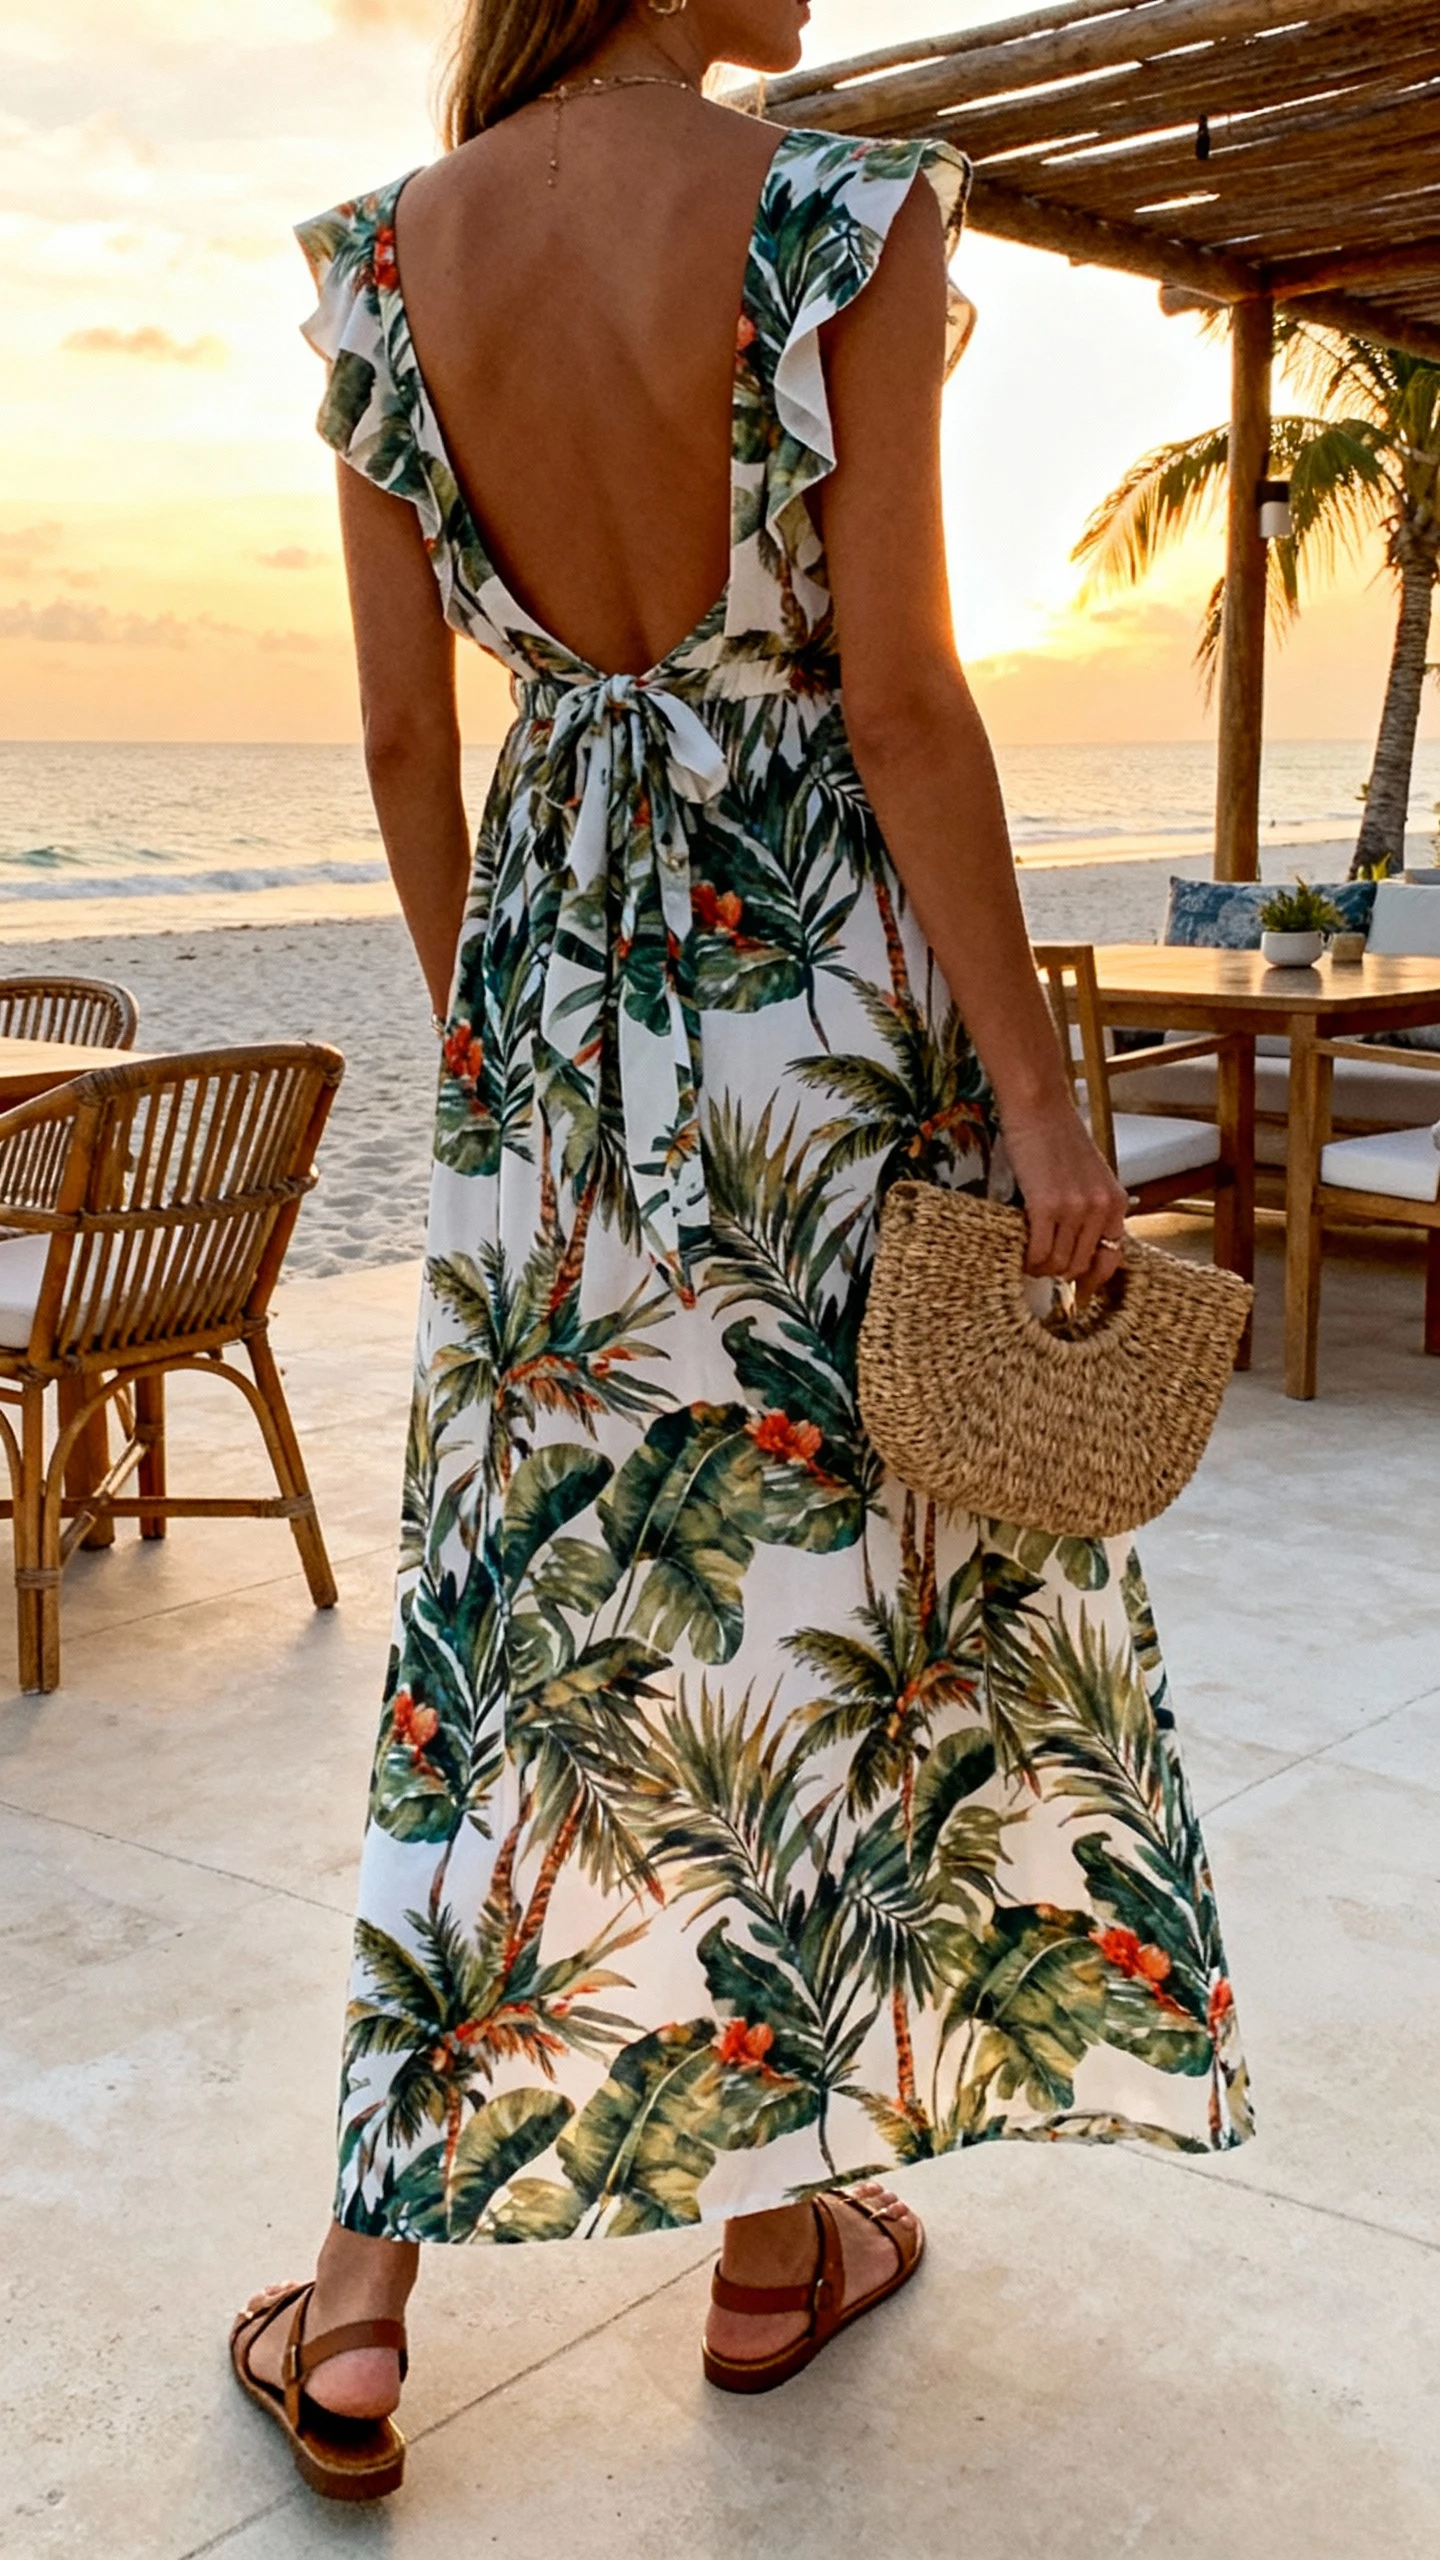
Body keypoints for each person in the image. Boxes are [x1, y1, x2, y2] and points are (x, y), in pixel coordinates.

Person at [231, 0, 1253, 2502]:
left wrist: (522, 1035)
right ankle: (779, 2231)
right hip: (824, 986)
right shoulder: (845, 211)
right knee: (845, 1585)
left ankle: (373, 2302)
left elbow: (399, 737)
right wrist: (1041, 1095)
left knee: (504, 1609)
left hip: (554, 1006)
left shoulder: (383, 266)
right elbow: (901, 695)